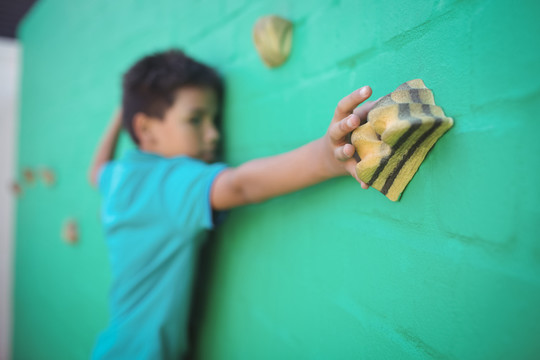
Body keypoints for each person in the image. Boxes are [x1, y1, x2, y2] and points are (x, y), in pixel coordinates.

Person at [88, 49, 374, 360]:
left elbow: (95, 171)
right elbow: (241, 186)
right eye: (195, 119)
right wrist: (327, 157)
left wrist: (122, 114)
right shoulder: (170, 182)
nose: (213, 135)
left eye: (214, 120)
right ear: (146, 130)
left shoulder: (119, 176)